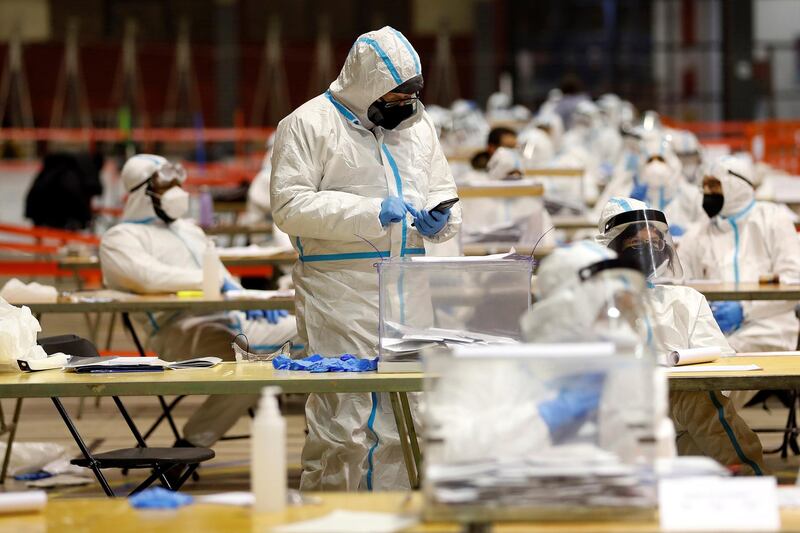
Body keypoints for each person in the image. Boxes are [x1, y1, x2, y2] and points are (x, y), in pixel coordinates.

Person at [270, 26, 461, 491]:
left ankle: (393, 515)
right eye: (393, 95)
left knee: (408, 414)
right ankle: (333, 515)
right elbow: (289, 206)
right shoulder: (307, 124)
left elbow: (443, 190)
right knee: (345, 421)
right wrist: (371, 211)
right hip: (340, 288)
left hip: (407, 283)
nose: (403, 105)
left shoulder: (417, 125)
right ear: (366, 84)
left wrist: (443, 221)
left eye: (409, 95)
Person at [101, 154, 297, 447]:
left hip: (235, 320)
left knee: (312, 330)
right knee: (259, 363)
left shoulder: (189, 231)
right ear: (144, 192)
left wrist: (256, 299)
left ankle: (327, 433)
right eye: (168, 187)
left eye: (179, 184)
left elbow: (226, 279)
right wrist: (206, 282)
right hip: (182, 331)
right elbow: (146, 277)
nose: (178, 193)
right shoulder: (121, 238)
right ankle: (193, 443)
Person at [596, 197, 765, 475]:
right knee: (696, 402)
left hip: (680, 419)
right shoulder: (594, 301)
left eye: (656, 243)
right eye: (637, 245)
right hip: (615, 414)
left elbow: (722, 369)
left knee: (698, 398)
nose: (650, 251)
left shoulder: (685, 299)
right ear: (611, 248)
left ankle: (755, 487)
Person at [679, 156, 800, 354]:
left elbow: (792, 280)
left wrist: (745, 309)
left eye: (715, 186)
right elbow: (681, 283)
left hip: (769, 327)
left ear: (736, 186)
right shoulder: (698, 233)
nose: (708, 193)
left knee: (725, 355)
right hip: (714, 330)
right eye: (705, 186)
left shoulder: (773, 219)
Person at [637, 136, 704, 237]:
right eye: (650, 160)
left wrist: (687, 230)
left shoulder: (692, 195)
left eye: (661, 159)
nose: (655, 166)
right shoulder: (634, 197)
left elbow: (707, 226)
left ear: (672, 163)